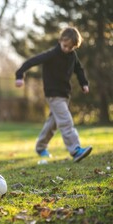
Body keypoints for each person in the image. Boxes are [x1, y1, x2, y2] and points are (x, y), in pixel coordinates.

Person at [15, 26, 92, 163]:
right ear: (60, 40)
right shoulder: (52, 54)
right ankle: (75, 150)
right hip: (53, 93)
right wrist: (20, 75)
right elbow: (32, 61)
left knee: (53, 123)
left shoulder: (72, 55)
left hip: (64, 94)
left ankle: (40, 147)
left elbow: (79, 69)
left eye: (71, 47)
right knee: (66, 120)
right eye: (65, 46)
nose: (68, 49)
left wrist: (84, 83)